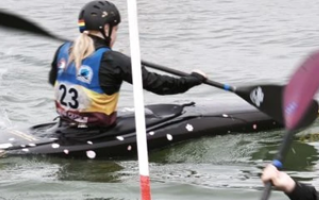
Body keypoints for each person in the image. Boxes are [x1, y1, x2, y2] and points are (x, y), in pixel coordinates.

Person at [48, 0, 207, 129]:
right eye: (116, 29)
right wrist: (192, 79)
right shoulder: (113, 60)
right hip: (96, 131)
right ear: (106, 29)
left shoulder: (62, 49)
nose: (115, 34)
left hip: (66, 125)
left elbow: (52, 80)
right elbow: (160, 86)